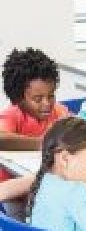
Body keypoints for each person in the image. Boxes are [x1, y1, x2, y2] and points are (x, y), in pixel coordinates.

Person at [0, 48, 69, 179]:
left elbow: (74, 131)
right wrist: (42, 143)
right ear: (18, 97)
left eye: (51, 96)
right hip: (12, 188)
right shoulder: (13, 114)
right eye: (38, 99)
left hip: (45, 180)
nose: (46, 103)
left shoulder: (59, 111)